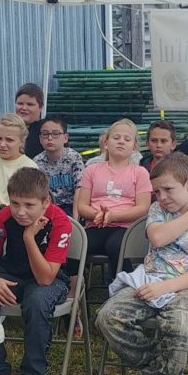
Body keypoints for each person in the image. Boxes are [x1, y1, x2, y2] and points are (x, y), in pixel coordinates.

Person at [94, 153, 188, 375]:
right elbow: (158, 238)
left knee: (180, 328)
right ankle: (166, 370)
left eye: (168, 189)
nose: (162, 197)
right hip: (147, 280)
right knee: (107, 318)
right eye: (157, 191)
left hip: (184, 288)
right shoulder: (158, 211)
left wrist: (166, 287)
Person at [0, 168, 72, 375]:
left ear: (46, 202)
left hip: (47, 278)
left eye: (29, 205)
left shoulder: (60, 222)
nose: (20, 212)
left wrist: (30, 237)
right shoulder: (6, 217)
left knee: (37, 301)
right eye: (15, 203)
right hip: (12, 273)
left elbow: (45, 277)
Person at [75, 119, 152, 279]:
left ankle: (124, 291)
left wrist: (114, 216)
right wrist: (99, 215)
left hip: (126, 228)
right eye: (116, 138)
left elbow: (143, 207)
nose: (121, 142)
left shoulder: (140, 172)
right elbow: (82, 205)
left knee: (115, 246)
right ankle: (72, 291)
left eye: (127, 139)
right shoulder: (91, 170)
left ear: (134, 147)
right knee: (75, 245)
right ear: (106, 143)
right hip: (96, 224)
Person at [0, 113, 37, 216]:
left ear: (22, 141)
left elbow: (26, 201)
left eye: (9, 140)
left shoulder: (30, 166)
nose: (2, 144)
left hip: (20, 217)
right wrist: (2, 211)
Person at [32, 116, 84, 217]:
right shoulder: (37, 161)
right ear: (40, 139)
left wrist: (76, 218)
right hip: (48, 207)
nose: (50, 138)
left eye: (55, 134)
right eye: (45, 134)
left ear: (65, 138)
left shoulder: (74, 157)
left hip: (71, 205)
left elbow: (79, 188)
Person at [15, 82, 46, 158]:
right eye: (20, 104)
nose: (24, 108)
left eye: (30, 104)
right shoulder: (7, 128)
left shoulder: (47, 131)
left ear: (41, 107)